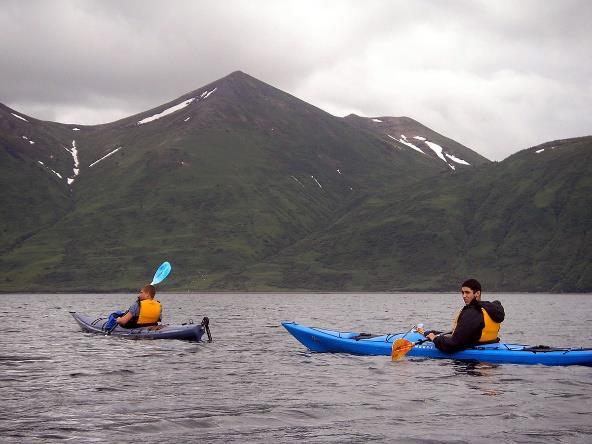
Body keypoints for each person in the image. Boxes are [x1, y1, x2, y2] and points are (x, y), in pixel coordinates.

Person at [424, 279, 505, 353]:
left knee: (433, 336)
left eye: (467, 292)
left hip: (472, 359)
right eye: (462, 292)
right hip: (490, 344)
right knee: (429, 333)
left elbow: (452, 346)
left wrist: (435, 339)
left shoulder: (472, 312)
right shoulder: (488, 308)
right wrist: (435, 334)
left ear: (477, 293)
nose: (464, 296)